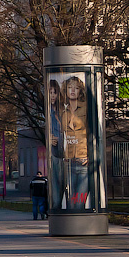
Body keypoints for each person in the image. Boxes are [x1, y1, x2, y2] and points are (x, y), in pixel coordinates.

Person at [61, 75, 89, 209]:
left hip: (84, 161)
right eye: (70, 87)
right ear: (65, 90)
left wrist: (91, 154)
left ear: (80, 91)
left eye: (76, 88)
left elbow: (93, 132)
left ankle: (81, 228)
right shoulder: (63, 110)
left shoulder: (86, 108)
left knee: (79, 204)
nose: (72, 91)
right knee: (71, 204)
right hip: (69, 162)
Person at [47, 79, 65, 210]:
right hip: (53, 151)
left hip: (64, 149)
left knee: (63, 181)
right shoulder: (48, 112)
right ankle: (56, 207)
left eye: (55, 92)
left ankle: (60, 206)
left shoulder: (62, 111)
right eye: (50, 92)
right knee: (56, 181)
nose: (52, 95)